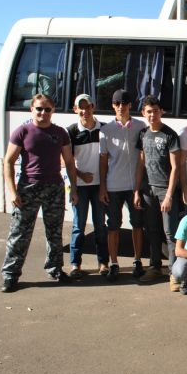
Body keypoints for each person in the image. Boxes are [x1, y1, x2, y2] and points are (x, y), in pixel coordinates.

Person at [0, 94, 79, 292]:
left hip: (54, 189)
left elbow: (69, 162)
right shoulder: (23, 131)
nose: (43, 113)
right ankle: (10, 275)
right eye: (39, 109)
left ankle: (55, 269)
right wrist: (12, 192)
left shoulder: (60, 133)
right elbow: (8, 161)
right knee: (19, 234)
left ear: (53, 111)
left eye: (47, 109)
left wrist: (74, 190)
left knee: (54, 233)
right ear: (32, 110)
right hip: (28, 189)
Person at [99, 89, 146, 281]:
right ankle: (114, 263)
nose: (121, 107)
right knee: (113, 226)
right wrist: (102, 187)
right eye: (117, 103)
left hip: (134, 186)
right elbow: (103, 161)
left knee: (137, 225)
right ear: (112, 106)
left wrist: (137, 188)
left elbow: (142, 158)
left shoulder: (141, 127)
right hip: (113, 186)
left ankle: (137, 260)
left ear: (130, 105)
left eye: (124, 103)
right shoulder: (105, 131)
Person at [133, 96, 180, 285]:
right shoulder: (143, 134)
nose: (152, 115)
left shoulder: (170, 135)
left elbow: (176, 168)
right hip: (147, 191)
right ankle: (154, 267)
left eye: (155, 111)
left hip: (165, 192)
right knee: (152, 230)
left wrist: (169, 195)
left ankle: (174, 273)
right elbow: (141, 164)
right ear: (144, 113)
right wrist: (137, 190)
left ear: (161, 111)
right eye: (148, 111)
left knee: (170, 234)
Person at [66, 94, 108, 278]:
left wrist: (103, 186)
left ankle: (103, 263)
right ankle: (75, 264)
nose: (85, 111)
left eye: (88, 106)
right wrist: (79, 178)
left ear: (93, 106)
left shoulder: (105, 129)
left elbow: (108, 158)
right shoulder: (71, 131)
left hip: (100, 186)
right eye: (80, 107)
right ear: (75, 110)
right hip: (80, 187)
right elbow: (65, 161)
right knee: (78, 226)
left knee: (100, 226)